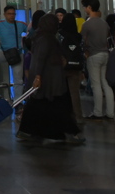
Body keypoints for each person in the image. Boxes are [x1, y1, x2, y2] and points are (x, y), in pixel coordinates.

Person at [17, 14, 84, 144]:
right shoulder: (48, 38)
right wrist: (38, 77)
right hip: (50, 78)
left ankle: (29, 131)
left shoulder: (38, 36)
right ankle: (70, 133)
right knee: (60, 105)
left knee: (39, 104)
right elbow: (42, 58)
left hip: (45, 78)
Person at [81, 0, 113, 120]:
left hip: (93, 55)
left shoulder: (87, 24)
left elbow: (83, 41)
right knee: (104, 83)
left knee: (96, 85)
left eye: (85, 7)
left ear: (89, 7)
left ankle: (98, 112)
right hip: (105, 54)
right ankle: (110, 113)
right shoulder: (104, 23)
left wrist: (85, 52)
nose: (84, 9)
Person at [0, 5, 28, 100]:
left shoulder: (20, 24)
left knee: (18, 78)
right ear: (4, 14)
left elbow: (30, 30)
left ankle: (18, 101)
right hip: (4, 52)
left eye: (13, 14)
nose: (11, 16)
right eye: (9, 14)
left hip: (17, 53)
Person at [58, 13, 84, 126]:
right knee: (74, 93)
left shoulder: (60, 34)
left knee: (61, 93)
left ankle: (63, 116)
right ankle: (78, 117)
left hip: (62, 67)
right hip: (75, 67)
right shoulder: (78, 36)